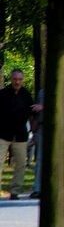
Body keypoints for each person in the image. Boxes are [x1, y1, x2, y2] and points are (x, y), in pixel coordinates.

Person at [0, 70, 41, 200]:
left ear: (22, 80)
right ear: (11, 79)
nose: (17, 82)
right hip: (3, 134)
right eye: (15, 79)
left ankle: (15, 190)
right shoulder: (3, 94)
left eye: (19, 79)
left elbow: (32, 116)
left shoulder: (26, 95)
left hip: (20, 135)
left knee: (21, 164)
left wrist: (33, 132)